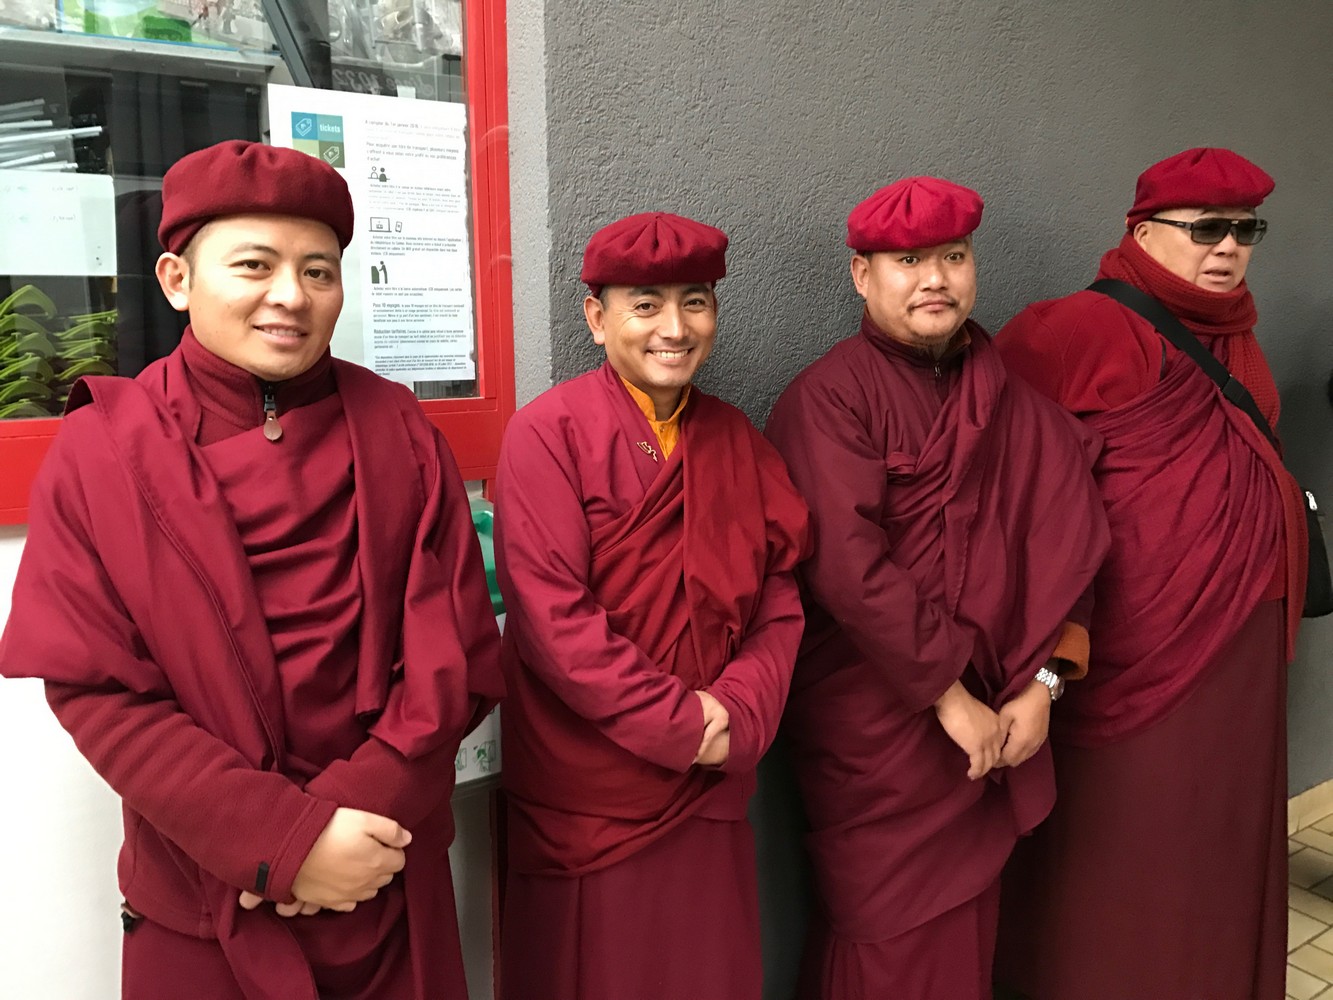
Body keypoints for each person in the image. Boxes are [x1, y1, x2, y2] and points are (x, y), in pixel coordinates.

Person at [0, 139, 504, 1000]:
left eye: (318, 271)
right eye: (254, 265)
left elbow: (451, 661)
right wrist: (280, 840)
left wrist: (346, 826)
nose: (290, 296)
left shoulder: (399, 431)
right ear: (176, 280)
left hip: (377, 867)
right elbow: (97, 687)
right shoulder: (104, 448)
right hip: (205, 885)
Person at [764, 176, 1109, 1000]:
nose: (934, 280)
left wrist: (1043, 686)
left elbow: (1070, 553)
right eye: (908, 261)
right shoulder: (828, 400)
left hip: (1001, 712)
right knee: (883, 929)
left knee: (968, 932)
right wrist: (949, 699)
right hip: (880, 720)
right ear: (861, 276)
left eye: (953, 257)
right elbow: (847, 569)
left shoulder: (1018, 406)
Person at [992, 147, 1304, 1000]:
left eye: (1245, 231)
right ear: (1140, 232)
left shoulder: (1235, 334)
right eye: (1206, 229)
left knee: (1221, 839)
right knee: (1128, 851)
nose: (1228, 247)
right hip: (1125, 650)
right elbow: (1009, 491)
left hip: (1242, 642)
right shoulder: (1069, 330)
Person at [494, 211, 810, 1000]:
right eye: (645, 304)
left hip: (711, 768)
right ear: (596, 317)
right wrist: (679, 726)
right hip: (591, 787)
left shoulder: (735, 439)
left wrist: (739, 710)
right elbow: (553, 622)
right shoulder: (547, 434)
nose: (674, 327)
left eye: (694, 302)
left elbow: (778, 595)